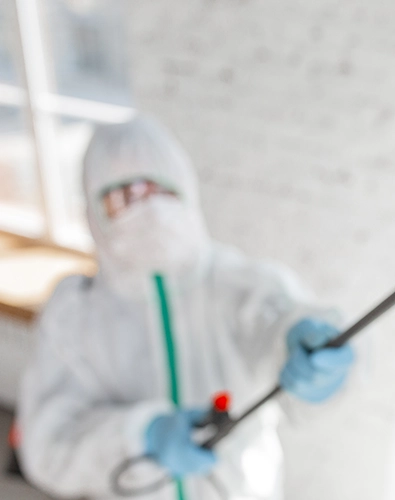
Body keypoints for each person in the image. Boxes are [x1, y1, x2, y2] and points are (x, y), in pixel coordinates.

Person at [17, 116, 355, 500]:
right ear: (94, 212)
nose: (146, 208)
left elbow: (281, 320)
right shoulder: (73, 315)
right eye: (124, 195)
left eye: (157, 189)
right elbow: (46, 450)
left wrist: (310, 343)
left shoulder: (241, 285)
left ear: (185, 191)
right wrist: (139, 435)